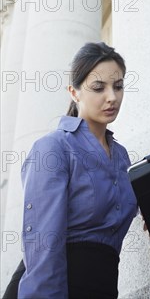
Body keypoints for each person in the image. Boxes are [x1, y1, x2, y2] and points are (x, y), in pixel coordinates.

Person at [3, 42, 138, 299]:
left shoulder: (122, 158)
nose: (112, 97)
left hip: (104, 286)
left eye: (118, 86)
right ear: (74, 93)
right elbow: (44, 242)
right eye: (98, 87)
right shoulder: (53, 147)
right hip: (55, 285)